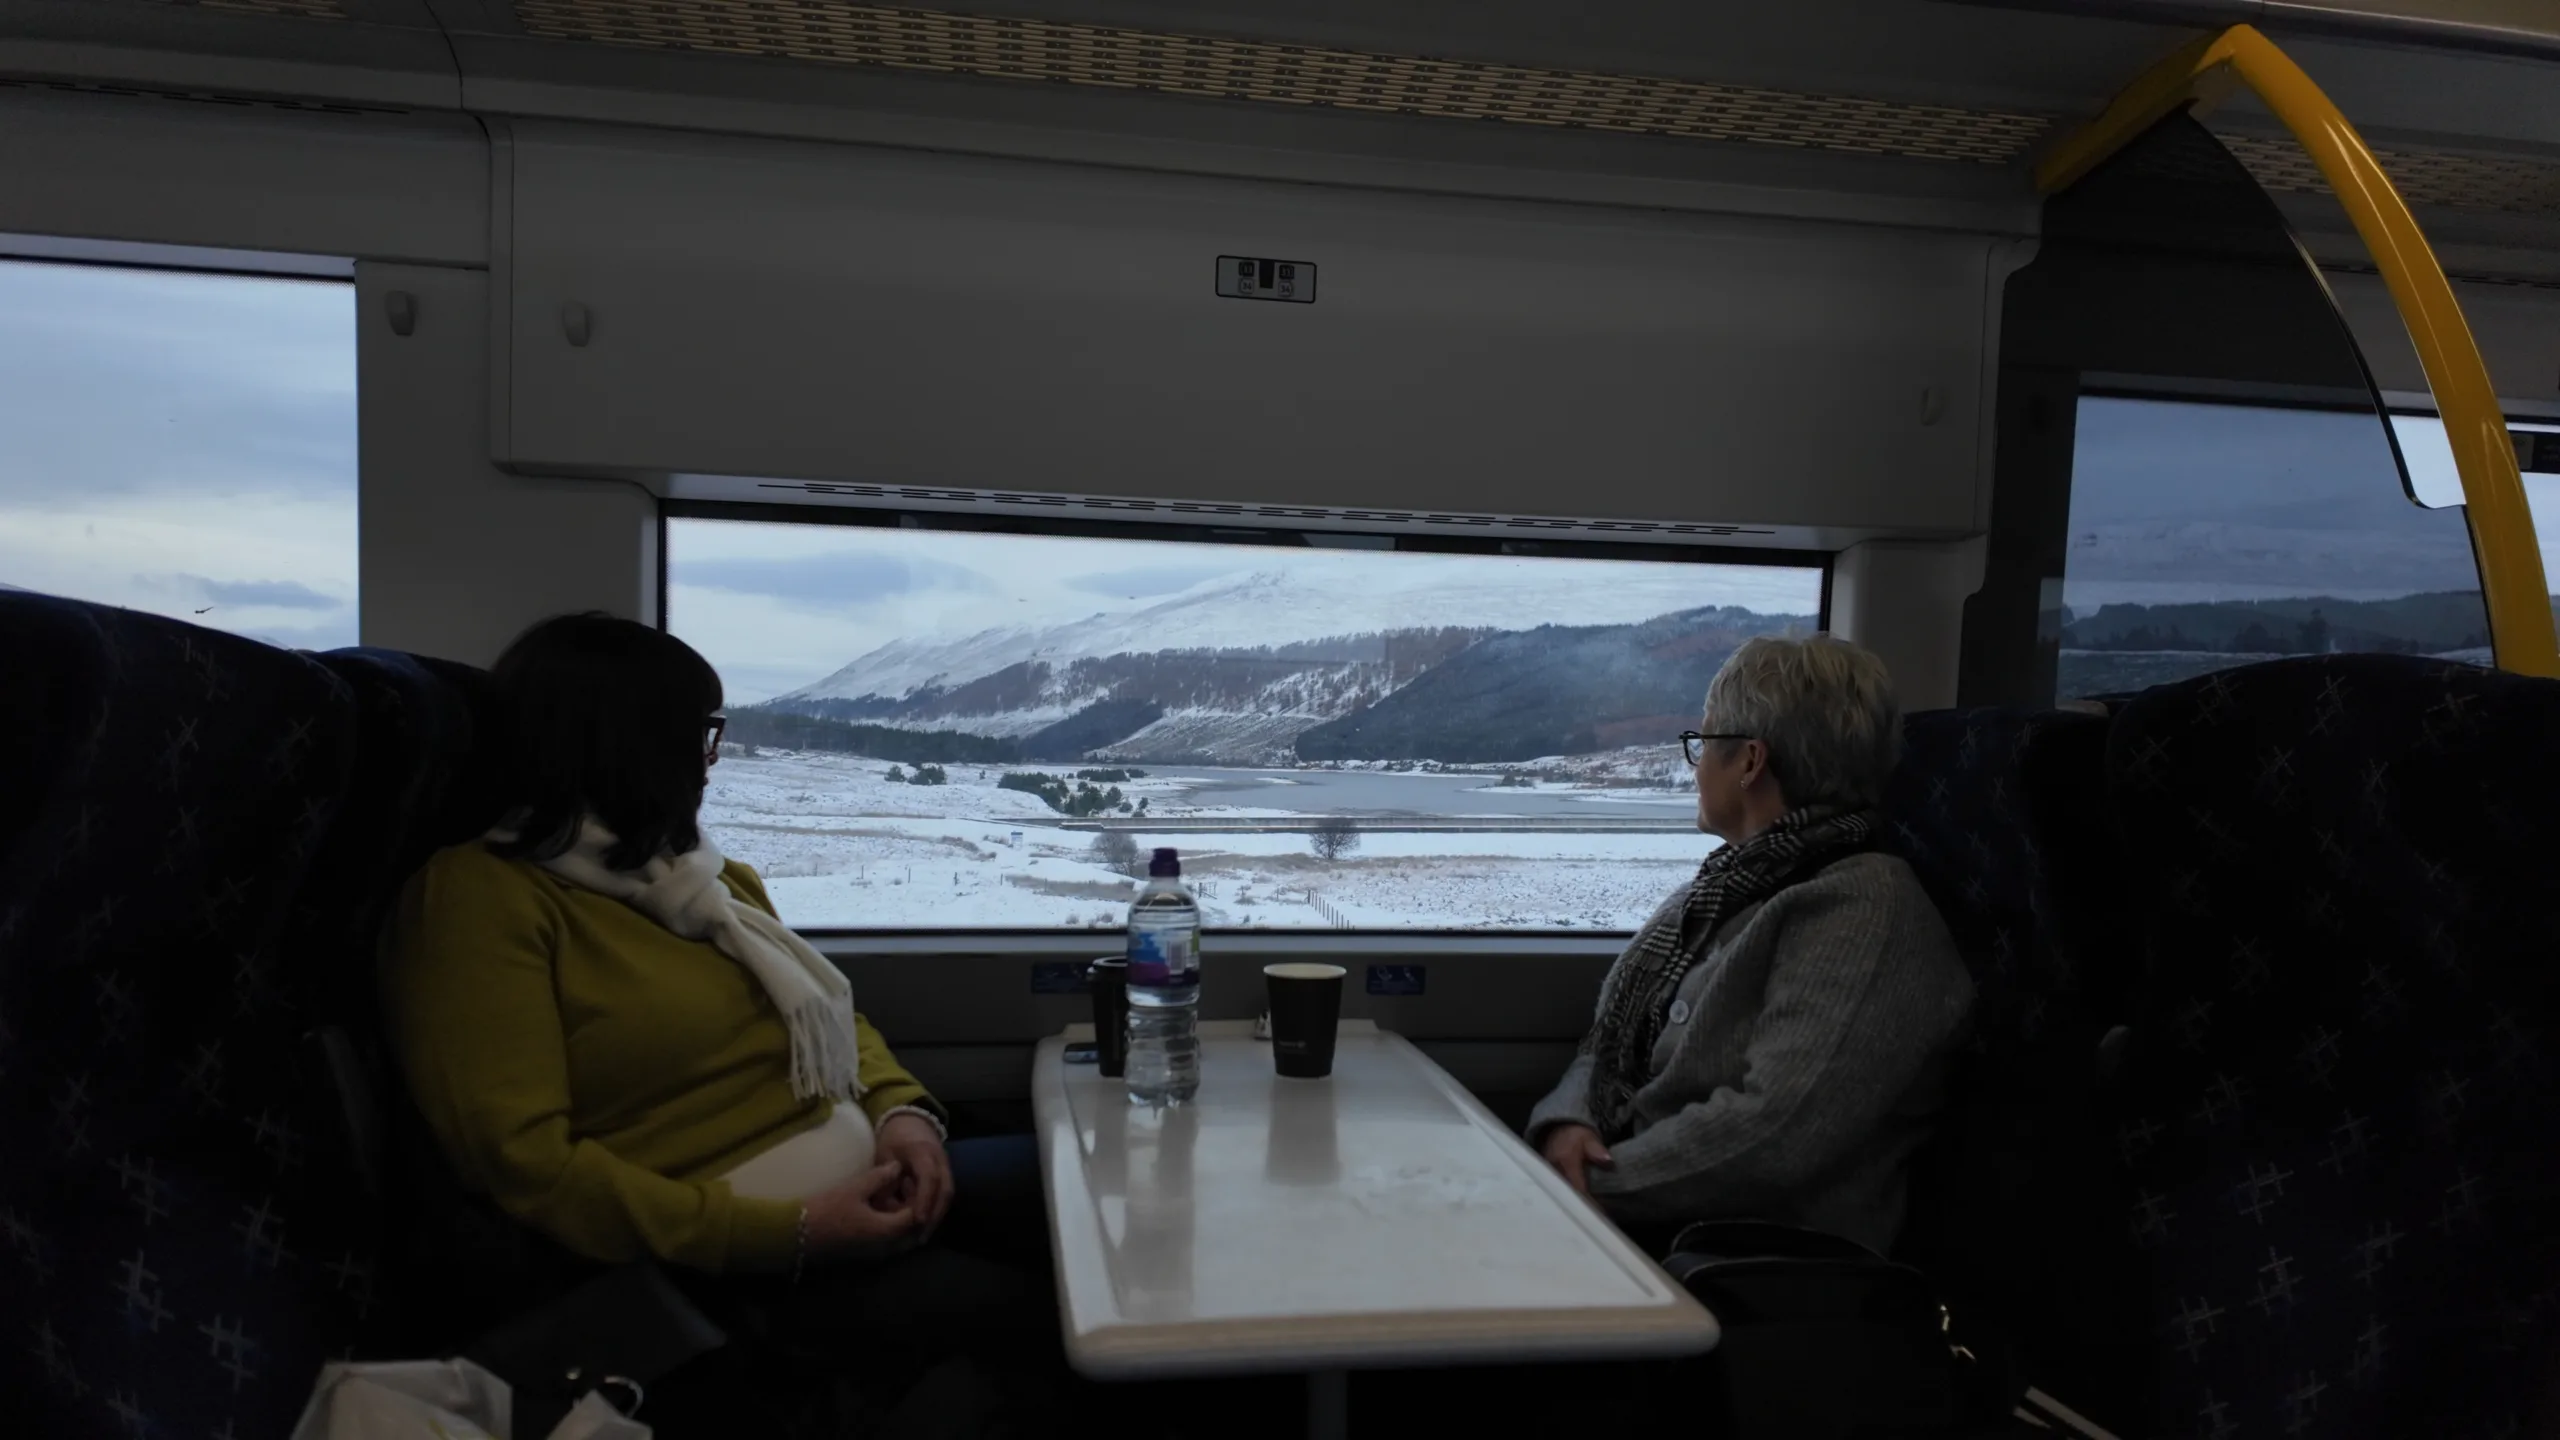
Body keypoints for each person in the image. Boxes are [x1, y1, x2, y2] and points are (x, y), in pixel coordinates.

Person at [383, 613, 1063, 1436]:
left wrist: (907, 1121)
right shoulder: (481, 902)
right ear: (626, 743)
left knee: (1097, 1191)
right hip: (728, 1269)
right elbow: (530, 1168)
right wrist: (795, 1234)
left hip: (861, 1181)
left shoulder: (705, 879)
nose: (711, 761)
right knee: (1054, 1322)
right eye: (699, 734)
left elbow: (835, 1019)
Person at [1528, 633, 1974, 1258]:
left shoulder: (1866, 911)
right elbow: (1608, 1043)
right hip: (1637, 1223)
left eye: (1703, 743)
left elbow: (1780, 1131)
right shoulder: (1716, 890)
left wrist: (1577, 1187)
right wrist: (1570, 1124)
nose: (1696, 764)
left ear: (1749, 762)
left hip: (1751, 1267)